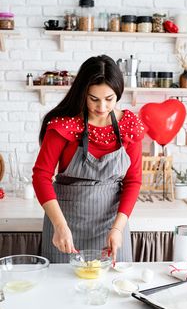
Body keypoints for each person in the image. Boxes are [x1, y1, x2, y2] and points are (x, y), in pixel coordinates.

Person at [32, 55, 145, 264]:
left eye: (109, 99)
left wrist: (118, 228)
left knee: (114, 290)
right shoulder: (64, 125)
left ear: (118, 93)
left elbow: (133, 181)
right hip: (65, 226)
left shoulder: (129, 125)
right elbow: (41, 176)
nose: (102, 107)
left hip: (112, 225)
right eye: (94, 99)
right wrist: (59, 226)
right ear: (83, 93)